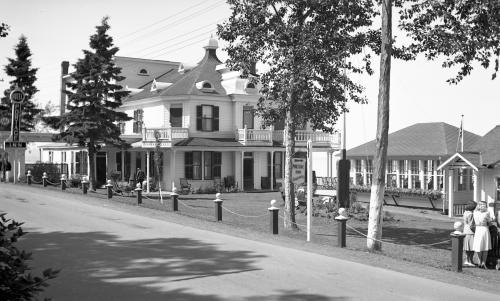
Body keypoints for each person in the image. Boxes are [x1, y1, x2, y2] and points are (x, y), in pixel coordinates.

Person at [472, 201, 492, 269]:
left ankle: (480, 261)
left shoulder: (475, 212)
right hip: (484, 229)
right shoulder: (487, 213)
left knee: (479, 246)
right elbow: (489, 223)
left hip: (478, 229)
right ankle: (483, 262)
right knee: (485, 247)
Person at [463, 201, 477, 267]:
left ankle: (467, 260)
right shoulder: (471, 214)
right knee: (471, 248)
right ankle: (470, 261)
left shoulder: (465, 212)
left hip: (465, 230)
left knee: (467, 247)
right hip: (470, 232)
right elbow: (471, 225)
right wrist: (476, 231)